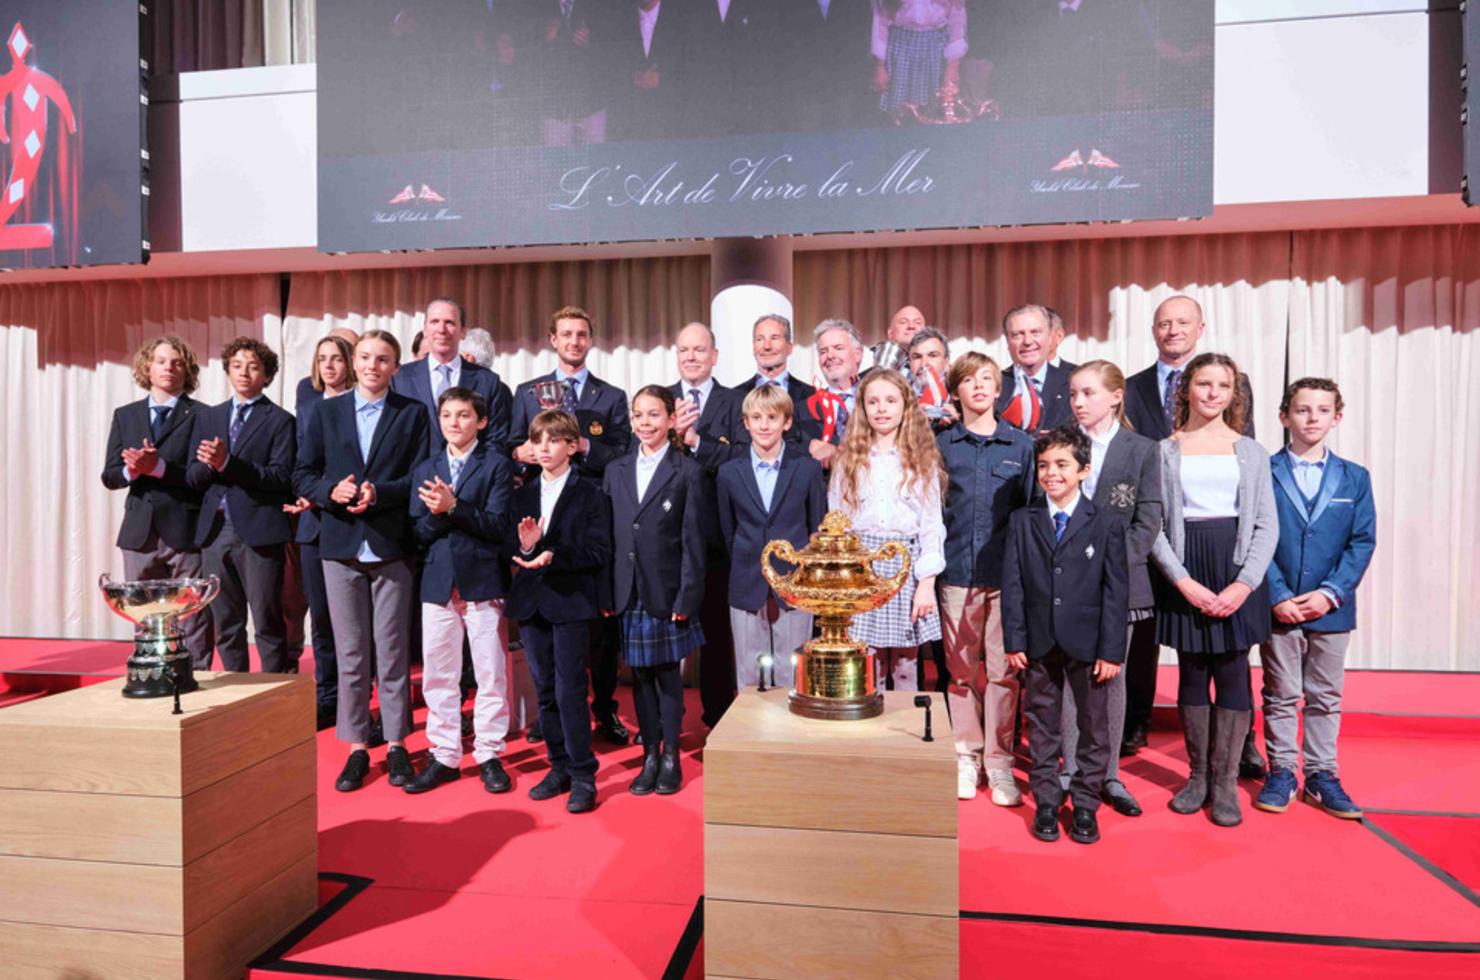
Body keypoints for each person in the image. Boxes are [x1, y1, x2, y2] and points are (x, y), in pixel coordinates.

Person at [1121, 295, 1259, 771]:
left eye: (1183, 322)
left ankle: (1242, 744)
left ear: (1200, 328)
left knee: (1232, 657)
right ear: (1153, 330)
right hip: (1159, 533)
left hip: (1224, 547)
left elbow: (1248, 468)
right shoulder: (1132, 388)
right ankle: (1137, 722)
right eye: (1164, 323)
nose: (1173, 329)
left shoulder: (1234, 386)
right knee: (1155, 642)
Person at [294, 329, 431, 793]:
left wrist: (382, 493)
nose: (373, 366)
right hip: (340, 546)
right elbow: (303, 474)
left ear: (396, 367)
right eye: (367, 357)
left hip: (392, 545)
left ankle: (396, 744)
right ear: (354, 363)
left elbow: (420, 476)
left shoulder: (412, 413)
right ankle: (356, 748)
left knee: (392, 653)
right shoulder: (324, 411)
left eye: (383, 359)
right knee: (351, 654)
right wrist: (328, 491)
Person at [1151, 353, 1277, 828]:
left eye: (1222, 386)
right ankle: (1198, 776)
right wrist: (1182, 580)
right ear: (1187, 388)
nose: (1212, 393)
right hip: (1187, 569)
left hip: (1235, 570)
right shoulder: (1163, 451)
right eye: (1204, 383)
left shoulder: (1252, 452)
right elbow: (1154, 525)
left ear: (1232, 393)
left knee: (1233, 673)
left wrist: (1245, 584)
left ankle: (1225, 783)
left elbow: (1266, 523)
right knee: (1191, 672)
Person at [510, 305, 632, 745]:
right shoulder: (528, 393)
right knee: (546, 618)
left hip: (590, 516)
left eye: (581, 334)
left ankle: (604, 708)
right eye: (566, 334)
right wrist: (519, 453)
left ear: (590, 341)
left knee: (599, 626)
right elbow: (509, 445)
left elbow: (623, 454)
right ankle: (552, 713)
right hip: (542, 515)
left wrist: (584, 446)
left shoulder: (610, 396)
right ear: (553, 339)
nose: (574, 341)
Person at [1255, 378, 1376, 820]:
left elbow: (1361, 541)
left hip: (1332, 608)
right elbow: (1254, 537)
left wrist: (1331, 593)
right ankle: (1282, 770)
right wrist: (1276, 594)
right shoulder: (1263, 472)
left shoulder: (1355, 477)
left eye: (1322, 410)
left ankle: (1322, 774)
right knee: (1281, 693)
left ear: (1336, 417)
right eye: (1302, 410)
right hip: (1279, 605)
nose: (1312, 418)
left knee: (1325, 695)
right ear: (1284, 416)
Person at [1002, 426, 1129, 846]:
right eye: (1044, 465)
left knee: (1094, 725)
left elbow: (1116, 591)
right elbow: (1014, 585)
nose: (1051, 473)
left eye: (1062, 465)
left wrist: (1112, 650)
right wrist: (1015, 640)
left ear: (1084, 471)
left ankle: (1086, 803)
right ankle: (1046, 800)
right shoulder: (1022, 521)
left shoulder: (1105, 523)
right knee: (1041, 723)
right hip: (1038, 642)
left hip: (1090, 644)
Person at [1056, 361, 1163, 819]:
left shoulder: (1142, 450)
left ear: (1116, 396)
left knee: (1110, 677)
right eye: (1073, 394)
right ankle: (1069, 770)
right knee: (1069, 674)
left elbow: (1148, 519)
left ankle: (1108, 773)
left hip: (1121, 583)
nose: (1078, 402)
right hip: (1067, 581)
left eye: (1089, 393)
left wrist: (1109, 570)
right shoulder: (1060, 443)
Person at [404, 387, 517, 796]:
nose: (454, 422)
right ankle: (445, 754)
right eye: (447, 415)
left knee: (490, 673)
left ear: (481, 422)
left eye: (464, 415)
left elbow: (499, 526)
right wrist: (442, 513)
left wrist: (453, 508)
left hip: (482, 580)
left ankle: (489, 753)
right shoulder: (426, 467)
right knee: (439, 675)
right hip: (437, 582)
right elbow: (417, 532)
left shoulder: (497, 465)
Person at [936, 352, 1034, 803]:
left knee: (1002, 675)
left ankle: (999, 763)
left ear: (999, 389)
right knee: (960, 675)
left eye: (987, 379)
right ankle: (965, 755)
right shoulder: (942, 445)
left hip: (1005, 580)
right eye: (968, 380)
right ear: (955, 391)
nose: (978, 386)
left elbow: (1031, 514)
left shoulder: (1021, 446)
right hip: (956, 574)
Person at [506, 410, 613, 814]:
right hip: (531, 603)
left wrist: (553, 554)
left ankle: (584, 774)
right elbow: (511, 545)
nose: (545, 448)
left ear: (571, 446)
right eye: (538, 441)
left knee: (570, 691)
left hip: (570, 602)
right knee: (545, 691)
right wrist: (528, 547)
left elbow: (598, 551)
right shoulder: (522, 493)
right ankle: (559, 766)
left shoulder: (590, 493)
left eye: (554, 440)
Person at [605, 386, 707, 795]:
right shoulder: (615, 469)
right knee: (640, 678)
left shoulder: (688, 471)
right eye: (638, 415)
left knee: (667, 677)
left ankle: (670, 757)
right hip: (627, 591)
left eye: (653, 415)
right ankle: (649, 754)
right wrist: (607, 592)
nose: (644, 423)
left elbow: (693, 542)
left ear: (671, 420)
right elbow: (609, 537)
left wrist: (687, 596)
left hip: (667, 591)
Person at [185, 337, 297, 674]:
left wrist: (227, 463)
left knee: (267, 621)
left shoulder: (280, 420)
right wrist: (210, 465)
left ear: (267, 375)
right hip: (215, 531)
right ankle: (236, 692)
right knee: (226, 624)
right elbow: (193, 477)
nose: (244, 373)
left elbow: (281, 478)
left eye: (253, 367)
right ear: (228, 371)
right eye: (237, 366)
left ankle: (272, 692)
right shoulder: (209, 416)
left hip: (259, 532)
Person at [829, 369, 946, 691]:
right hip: (862, 568)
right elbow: (837, 524)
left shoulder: (921, 460)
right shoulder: (848, 460)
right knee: (869, 664)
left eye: (891, 401)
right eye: (873, 401)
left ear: (905, 406)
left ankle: (904, 724)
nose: (882, 408)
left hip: (905, 567)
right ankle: (872, 724)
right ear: (862, 408)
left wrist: (926, 583)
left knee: (907, 665)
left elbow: (931, 525)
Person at [101, 336, 214, 668]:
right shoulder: (125, 415)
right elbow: (110, 475)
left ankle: (197, 677)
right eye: (161, 361)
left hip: (186, 529)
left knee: (193, 617)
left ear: (187, 371)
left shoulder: (203, 415)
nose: (169, 368)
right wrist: (132, 471)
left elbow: (201, 475)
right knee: (143, 614)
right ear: (147, 367)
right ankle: (152, 675)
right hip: (139, 532)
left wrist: (159, 468)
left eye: (177, 362)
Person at [716, 385, 828, 693]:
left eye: (772, 417)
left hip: (795, 581)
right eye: (757, 418)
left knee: (792, 669)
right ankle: (751, 725)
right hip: (746, 579)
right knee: (748, 670)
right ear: (746, 423)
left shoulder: (806, 469)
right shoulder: (729, 472)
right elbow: (728, 529)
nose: (764, 425)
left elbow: (816, 528)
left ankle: (789, 725)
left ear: (787, 422)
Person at [669, 321, 745, 726]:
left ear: (714, 356)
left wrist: (697, 442)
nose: (692, 357)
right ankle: (665, 723)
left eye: (699, 350)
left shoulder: (736, 402)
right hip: (669, 538)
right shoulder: (660, 399)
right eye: (684, 350)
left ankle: (718, 717)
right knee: (667, 632)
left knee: (717, 633)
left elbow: (742, 458)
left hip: (718, 536)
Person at [287, 334, 356, 729]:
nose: (329, 365)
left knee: (357, 622)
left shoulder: (363, 403)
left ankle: (358, 698)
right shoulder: (308, 400)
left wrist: (325, 492)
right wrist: (311, 493)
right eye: (322, 358)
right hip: (314, 525)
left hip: (353, 519)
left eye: (336, 358)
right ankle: (327, 696)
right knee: (323, 619)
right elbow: (303, 463)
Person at [393, 298, 514, 453]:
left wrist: (468, 468)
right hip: (416, 469)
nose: (441, 330)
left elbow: (496, 440)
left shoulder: (487, 381)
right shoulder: (400, 378)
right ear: (425, 330)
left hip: (472, 467)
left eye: (449, 323)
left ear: (463, 332)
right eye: (435, 322)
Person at [733, 314, 820, 444]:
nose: (767, 346)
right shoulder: (733, 397)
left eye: (774, 338)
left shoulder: (812, 396)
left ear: (789, 347)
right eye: (759, 339)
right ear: (753, 347)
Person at [872, 0, 967, 116]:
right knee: (900, 110)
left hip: (936, 49)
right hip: (900, 48)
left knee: (935, 108)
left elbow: (957, 20)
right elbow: (880, 22)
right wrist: (880, 65)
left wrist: (953, 64)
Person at [996, 304, 1072, 434]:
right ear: (1008, 341)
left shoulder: (1073, 382)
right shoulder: (993, 385)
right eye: (1017, 335)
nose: (1027, 341)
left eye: (1035, 332)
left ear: (1050, 337)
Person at [807, 318, 866, 466]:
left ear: (857, 354)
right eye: (823, 351)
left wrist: (837, 453)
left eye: (838, 348)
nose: (830, 356)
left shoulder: (878, 401)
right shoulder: (804, 409)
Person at [907, 326, 957, 429]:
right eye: (917, 357)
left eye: (933, 355)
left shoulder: (961, 398)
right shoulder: (898, 399)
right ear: (910, 363)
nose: (924, 364)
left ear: (946, 362)